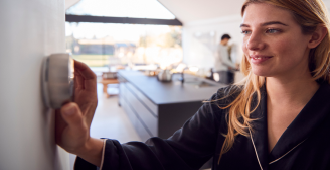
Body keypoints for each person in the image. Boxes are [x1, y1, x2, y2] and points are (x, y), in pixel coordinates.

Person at [55, 0, 330, 169]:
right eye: (246, 30)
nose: (251, 43)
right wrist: (86, 146)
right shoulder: (227, 104)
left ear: (314, 36)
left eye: (272, 29)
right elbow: (168, 158)